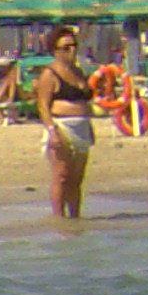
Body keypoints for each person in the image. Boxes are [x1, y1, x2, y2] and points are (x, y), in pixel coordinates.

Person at [30, 23, 98, 220]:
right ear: (56, 50)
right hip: (61, 126)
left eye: (74, 46)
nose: (72, 51)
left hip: (82, 126)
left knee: (77, 179)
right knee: (61, 175)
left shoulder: (78, 72)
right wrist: (52, 131)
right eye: (66, 47)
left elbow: (86, 100)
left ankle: (75, 218)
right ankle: (59, 217)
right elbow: (43, 106)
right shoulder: (50, 74)